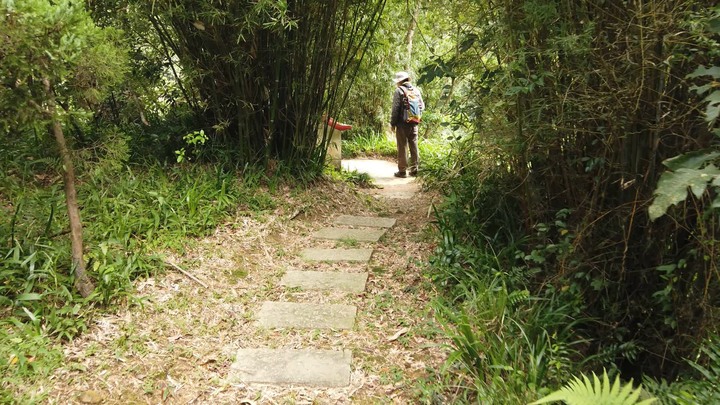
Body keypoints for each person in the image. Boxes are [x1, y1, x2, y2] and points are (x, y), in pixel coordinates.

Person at [390, 71, 424, 178]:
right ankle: (414, 170)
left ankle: (402, 171)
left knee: (402, 146)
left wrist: (393, 123)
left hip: (402, 124)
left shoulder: (399, 91)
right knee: (414, 146)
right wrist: (416, 118)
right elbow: (422, 106)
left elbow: (395, 109)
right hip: (414, 124)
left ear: (399, 81)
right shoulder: (416, 90)